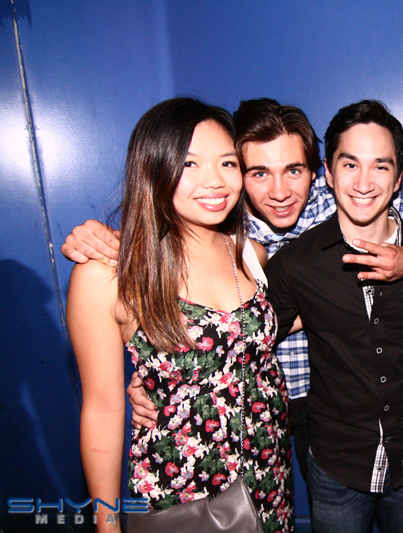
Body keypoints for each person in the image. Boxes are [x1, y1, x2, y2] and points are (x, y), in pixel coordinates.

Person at [60, 97, 403, 481]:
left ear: (316, 172)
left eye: (293, 170)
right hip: (224, 429)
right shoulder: (227, 230)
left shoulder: (350, 199)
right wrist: (160, 371)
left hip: (325, 405)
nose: (279, 191)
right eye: (258, 173)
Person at [66, 97, 292, 531]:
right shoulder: (108, 275)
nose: (215, 180)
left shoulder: (250, 254)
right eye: (190, 164)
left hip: (268, 473)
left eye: (227, 163)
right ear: (154, 167)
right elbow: (102, 410)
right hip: (185, 492)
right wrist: (107, 524)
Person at [265, 100, 403, 533]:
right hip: (335, 468)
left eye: (380, 166)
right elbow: (244, 340)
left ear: (398, 177)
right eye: (350, 164)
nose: (363, 182)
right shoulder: (296, 263)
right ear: (328, 172)